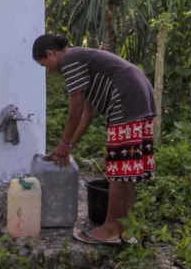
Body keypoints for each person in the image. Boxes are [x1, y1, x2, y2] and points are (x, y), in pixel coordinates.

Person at [32, 34, 157, 245]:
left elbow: (76, 107)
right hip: (139, 93)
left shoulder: (70, 59)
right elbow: (87, 114)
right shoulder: (84, 61)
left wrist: (63, 143)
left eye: (44, 64)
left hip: (126, 96)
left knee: (119, 170)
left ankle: (109, 230)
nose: (49, 69)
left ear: (50, 53)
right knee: (127, 168)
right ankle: (125, 230)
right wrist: (68, 145)